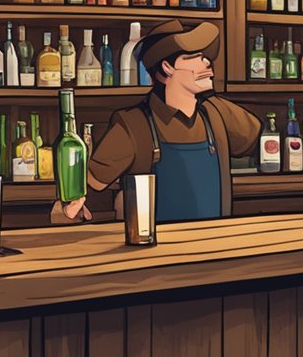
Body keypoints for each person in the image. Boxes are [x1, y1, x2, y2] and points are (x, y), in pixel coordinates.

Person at [56, 19, 261, 223]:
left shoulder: (216, 112)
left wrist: (210, 96)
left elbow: (254, 139)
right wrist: (70, 208)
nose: (207, 62)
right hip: (156, 249)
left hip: (214, 244)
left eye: (205, 56)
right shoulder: (133, 124)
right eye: (194, 57)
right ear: (167, 67)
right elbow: (91, 184)